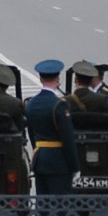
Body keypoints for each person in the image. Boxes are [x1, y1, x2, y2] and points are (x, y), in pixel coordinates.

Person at [24, 61, 80, 196]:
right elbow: (68, 138)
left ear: (40, 79)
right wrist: (75, 166)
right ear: (58, 79)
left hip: (40, 159)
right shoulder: (59, 105)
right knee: (60, 207)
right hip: (58, 162)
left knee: (43, 204)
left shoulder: (30, 104)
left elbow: (31, 134)